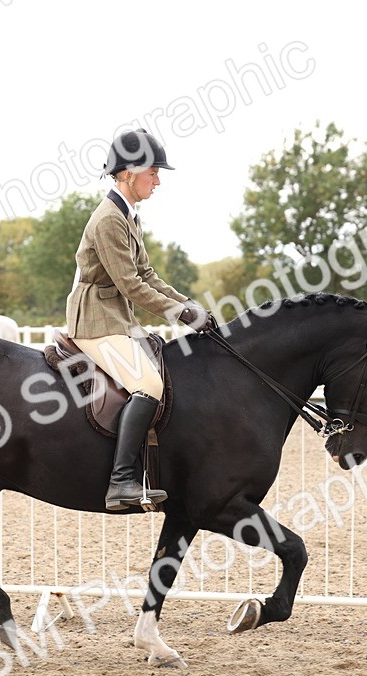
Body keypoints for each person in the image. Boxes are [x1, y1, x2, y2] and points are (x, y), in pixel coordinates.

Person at [65, 128, 213, 511]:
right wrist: (181, 314)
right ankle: (122, 482)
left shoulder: (128, 215)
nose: (158, 180)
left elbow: (147, 275)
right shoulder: (109, 220)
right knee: (148, 384)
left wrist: (190, 305)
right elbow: (130, 285)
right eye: (153, 172)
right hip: (96, 321)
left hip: (117, 318)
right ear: (128, 172)